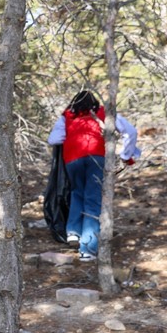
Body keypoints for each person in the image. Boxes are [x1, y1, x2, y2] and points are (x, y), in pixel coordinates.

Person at [46, 91, 141, 261]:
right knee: (93, 199)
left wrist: (72, 137)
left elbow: (54, 139)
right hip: (96, 158)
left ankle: (73, 233)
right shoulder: (104, 113)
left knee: (77, 193)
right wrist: (126, 155)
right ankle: (88, 250)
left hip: (72, 159)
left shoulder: (67, 116)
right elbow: (131, 132)